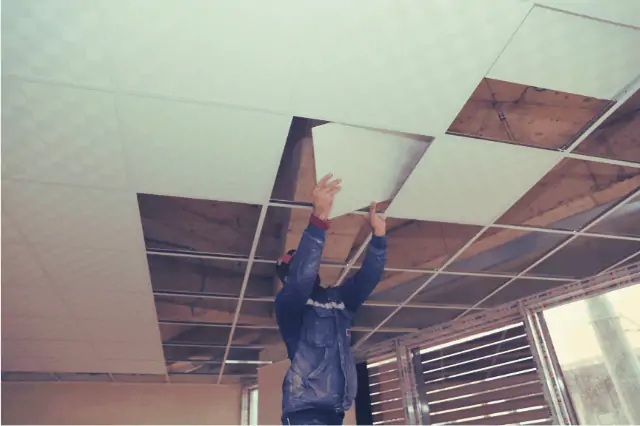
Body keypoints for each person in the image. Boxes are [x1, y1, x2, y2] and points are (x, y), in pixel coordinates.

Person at [275, 173, 388, 425]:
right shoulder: (290, 305)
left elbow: (369, 278)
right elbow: (302, 277)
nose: (310, 268)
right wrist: (318, 220)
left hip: (333, 410)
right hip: (304, 411)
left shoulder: (339, 301)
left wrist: (379, 238)